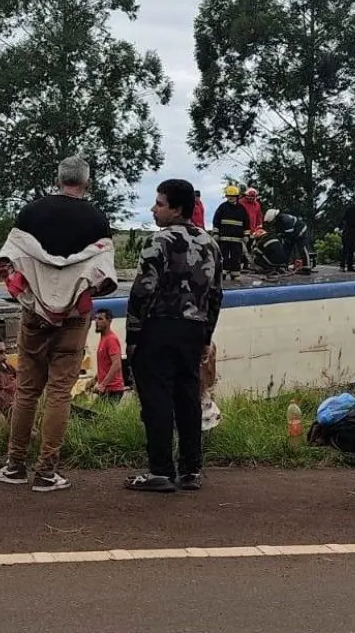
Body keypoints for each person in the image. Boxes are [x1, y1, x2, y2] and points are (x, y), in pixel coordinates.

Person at [0, 155, 117, 493]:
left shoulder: (32, 213)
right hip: (75, 317)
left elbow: (8, 259)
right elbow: (103, 273)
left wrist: (32, 296)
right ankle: (46, 472)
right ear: (86, 182)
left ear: (58, 178)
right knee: (59, 392)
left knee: (28, 390)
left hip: (34, 315)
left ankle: (15, 465)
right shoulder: (97, 219)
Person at [125, 178, 223, 493]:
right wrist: (206, 335)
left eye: (160, 204)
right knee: (188, 397)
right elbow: (216, 295)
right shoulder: (211, 244)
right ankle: (192, 470)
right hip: (193, 329)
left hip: (159, 327)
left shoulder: (159, 241)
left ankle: (160, 471)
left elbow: (143, 289)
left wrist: (133, 332)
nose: (154, 210)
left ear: (176, 209)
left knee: (157, 399)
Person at [211, 186, 248, 279]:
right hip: (224, 238)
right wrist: (216, 233)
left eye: (233, 196)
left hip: (237, 239)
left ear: (237, 196)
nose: (230, 198)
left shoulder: (242, 209)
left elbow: (246, 223)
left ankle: (235, 274)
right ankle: (222, 273)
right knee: (223, 256)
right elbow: (216, 221)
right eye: (228, 196)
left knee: (236, 257)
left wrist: (246, 235)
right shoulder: (222, 207)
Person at [93, 309, 125, 404]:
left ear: (109, 321)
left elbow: (117, 364)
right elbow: (105, 364)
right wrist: (95, 380)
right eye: (95, 319)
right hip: (106, 388)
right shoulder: (103, 338)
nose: (96, 322)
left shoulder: (111, 339)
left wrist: (102, 385)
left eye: (100, 319)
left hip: (113, 389)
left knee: (99, 416)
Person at [339, 203, 355, 273]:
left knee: (352, 250)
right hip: (347, 230)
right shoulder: (349, 210)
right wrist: (340, 228)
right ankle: (342, 266)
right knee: (345, 249)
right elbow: (343, 218)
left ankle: (350, 266)